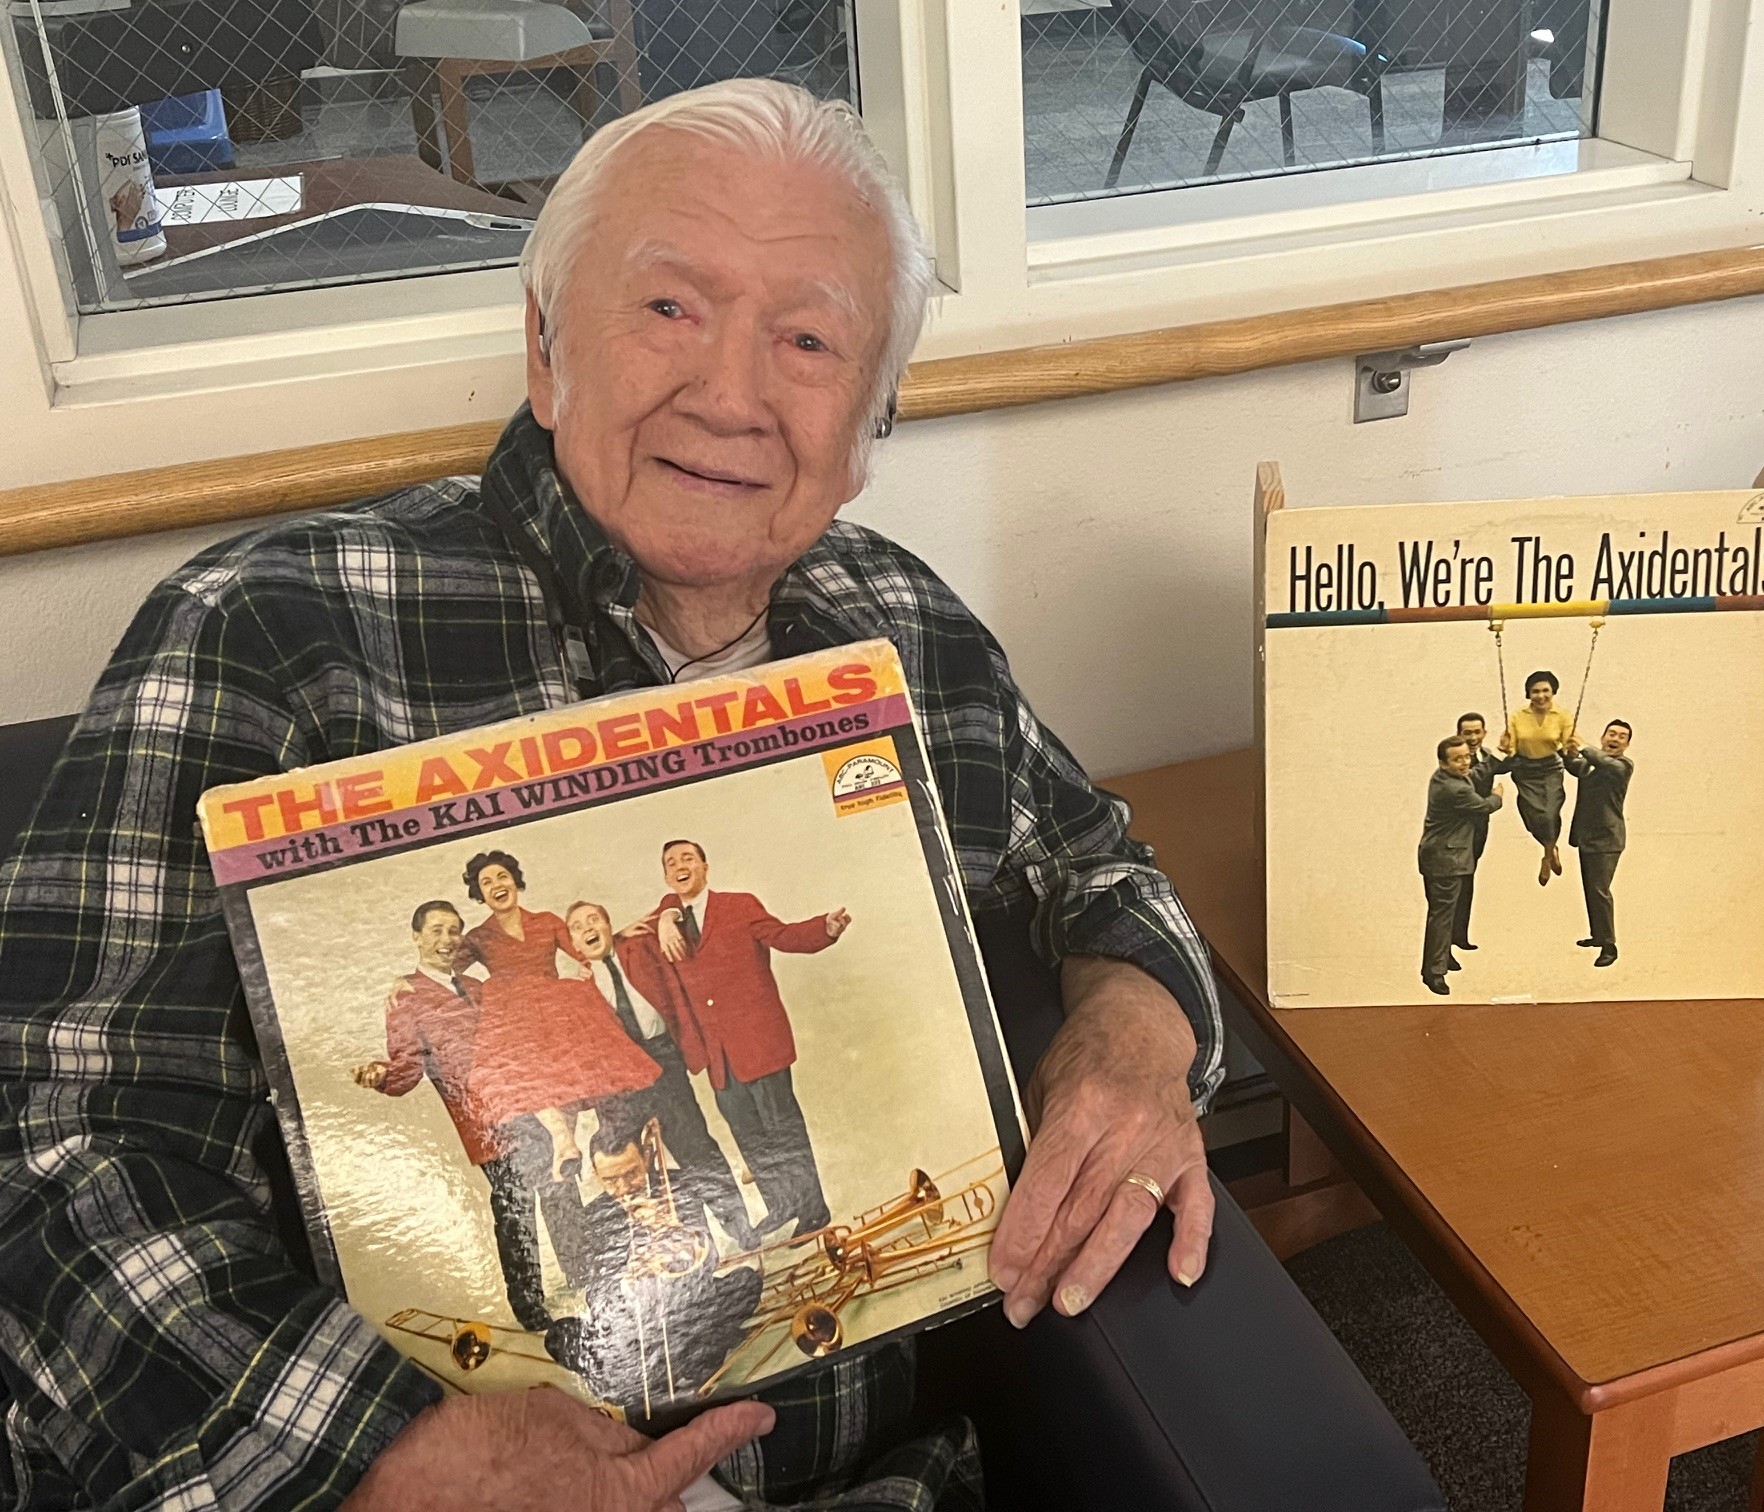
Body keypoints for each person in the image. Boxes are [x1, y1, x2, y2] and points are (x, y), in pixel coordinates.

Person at [0, 78, 1221, 1512]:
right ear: (541, 343)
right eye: (669, 310)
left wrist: (1137, 1033)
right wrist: (387, 1452)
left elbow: (1104, 870)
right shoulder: (273, 630)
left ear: (872, 421)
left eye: (810, 338)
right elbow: (58, 1147)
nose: (731, 394)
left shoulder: (903, 628)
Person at [351, 900, 584, 1340]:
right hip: (484, 1119)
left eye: (454, 930)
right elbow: (406, 1067)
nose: (446, 939)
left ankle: (585, 1278)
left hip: (529, 1104)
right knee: (515, 1206)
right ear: (416, 937)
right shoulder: (407, 998)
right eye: (436, 930)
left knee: (561, 1187)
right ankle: (529, 1306)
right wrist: (382, 1075)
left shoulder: (478, 986)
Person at [624, 839, 843, 1240]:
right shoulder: (667, 918)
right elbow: (628, 946)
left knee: (783, 1130)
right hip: (717, 1056)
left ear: (705, 866)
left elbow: (785, 935)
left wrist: (824, 929)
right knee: (750, 1136)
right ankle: (782, 1206)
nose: (680, 865)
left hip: (760, 1043)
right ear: (666, 877)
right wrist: (664, 915)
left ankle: (813, 1210)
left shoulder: (739, 905)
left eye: (688, 858)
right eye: (671, 863)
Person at [566, 898, 762, 1252]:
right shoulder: (579, 988)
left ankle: (741, 1232)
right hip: (620, 1081)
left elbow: (680, 908)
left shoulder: (637, 947)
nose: (588, 929)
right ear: (574, 946)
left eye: (594, 920)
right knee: (642, 1170)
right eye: (577, 928)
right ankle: (692, 1247)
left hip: (664, 1061)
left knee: (696, 1150)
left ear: (610, 926)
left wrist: (656, 920)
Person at [455, 850, 662, 1181]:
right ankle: (563, 1140)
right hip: (514, 1019)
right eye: (487, 882)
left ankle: (574, 1145)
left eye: (502, 877)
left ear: (515, 882)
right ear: (480, 894)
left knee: (563, 1076)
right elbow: (444, 971)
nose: (497, 885)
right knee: (533, 1077)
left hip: (555, 1010)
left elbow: (586, 948)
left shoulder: (548, 921)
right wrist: (408, 983)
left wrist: (616, 937)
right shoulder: (478, 937)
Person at [570, 1122, 766, 1413]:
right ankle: (683, 1361)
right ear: (596, 1176)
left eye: (631, 1173)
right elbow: (596, 1294)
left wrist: (670, 1230)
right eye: (611, 1180)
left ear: (646, 1159)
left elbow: (707, 1261)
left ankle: (660, 1370)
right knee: (564, 1334)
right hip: (636, 1320)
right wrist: (627, 1276)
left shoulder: (678, 1187)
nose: (623, 1188)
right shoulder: (593, 1215)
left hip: (688, 1306)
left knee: (746, 1282)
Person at [1418, 735, 1503, 995]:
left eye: (1467, 756)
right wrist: (1498, 794)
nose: (1465, 762)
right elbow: (1484, 806)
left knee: (1443, 914)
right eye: (1457, 759)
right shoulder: (1455, 789)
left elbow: (1475, 773)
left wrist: (1497, 753)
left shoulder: (1446, 777)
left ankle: (1441, 959)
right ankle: (1434, 973)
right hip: (1446, 860)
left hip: (1441, 857)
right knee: (1442, 917)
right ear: (1443, 763)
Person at [1565, 720, 1635, 968]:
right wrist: (1568, 750)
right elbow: (1576, 767)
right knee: (1590, 889)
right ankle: (1598, 935)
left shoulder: (1623, 766)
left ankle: (1609, 946)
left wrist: (1582, 746)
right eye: (1611, 734)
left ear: (1627, 745)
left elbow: (1604, 764)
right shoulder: (1593, 764)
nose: (1615, 739)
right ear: (1603, 736)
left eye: (1622, 737)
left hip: (1608, 839)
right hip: (1586, 836)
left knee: (1600, 891)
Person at [1497, 669, 1575, 886]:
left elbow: (1569, 741)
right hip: (1525, 770)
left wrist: (1573, 748)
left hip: (1550, 768)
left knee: (1549, 813)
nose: (1541, 696)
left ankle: (1547, 856)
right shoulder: (1517, 715)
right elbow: (1510, 743)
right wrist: (1506, 747)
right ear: (1528, 694)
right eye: (1535, 691)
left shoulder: (1563, 715)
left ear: (1553, 692)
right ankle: (1551, 849)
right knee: (1533, 817)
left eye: (1545, 691)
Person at [1452, 711, 1507, 952]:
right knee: (1456, 884)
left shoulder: (1485, 756)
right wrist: (1497, 796)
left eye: (1477, 732)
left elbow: (1509, 763)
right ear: (1459, 735)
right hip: (1458, 832)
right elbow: (1475, 777)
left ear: (1484, 733)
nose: (1473, 737)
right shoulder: (1455, 760)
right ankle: (1449, 941)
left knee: (1468, 880)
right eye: (1467, 733)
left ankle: (1459, 936)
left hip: (1479, 829)